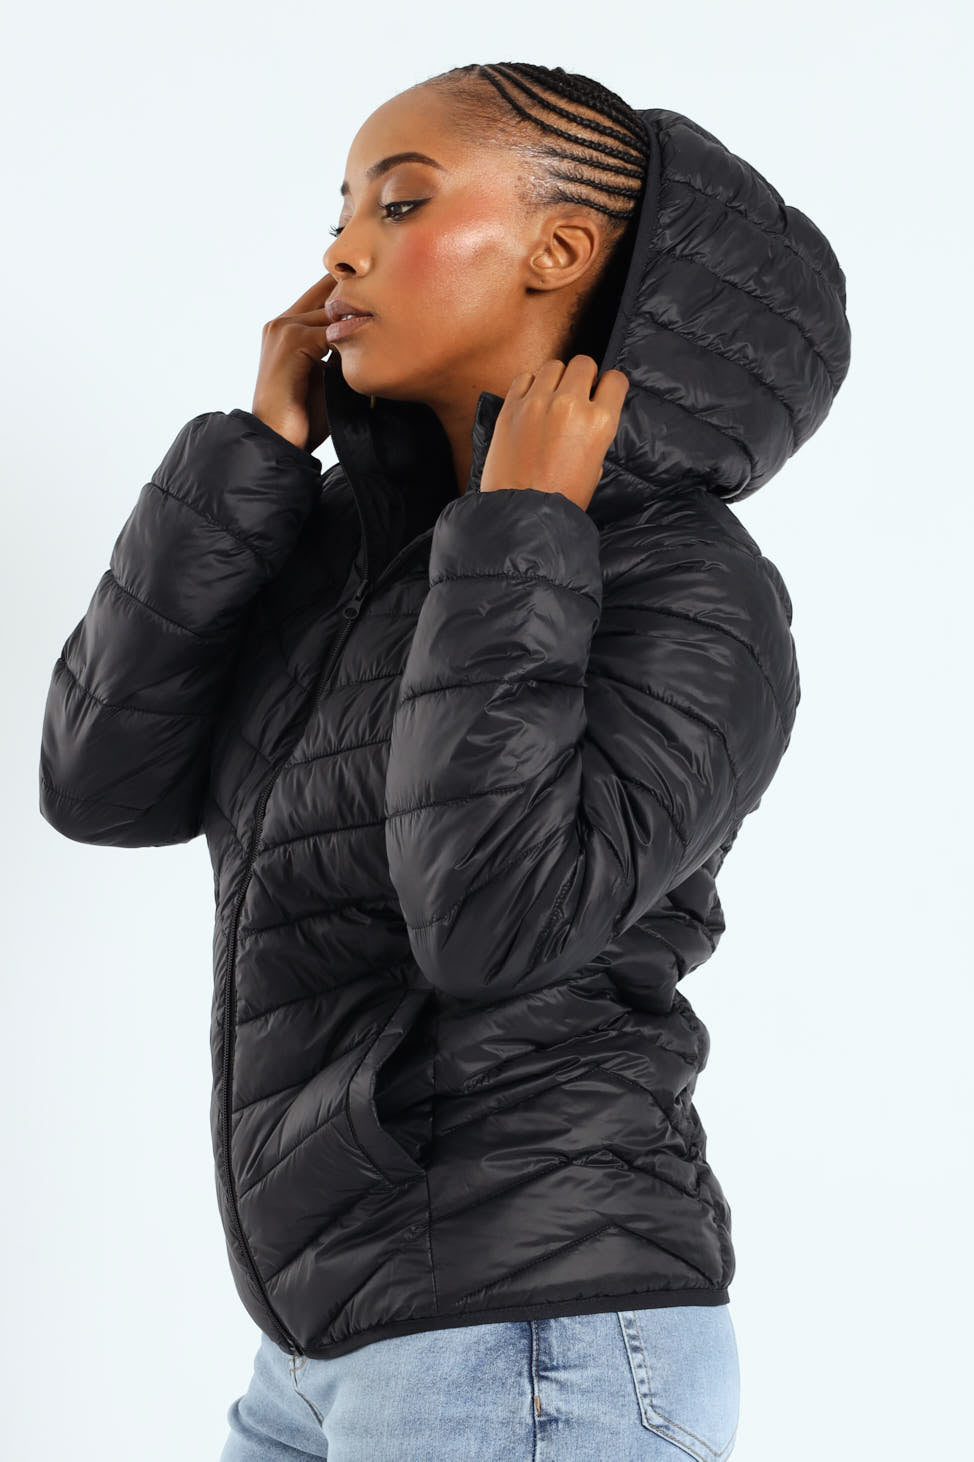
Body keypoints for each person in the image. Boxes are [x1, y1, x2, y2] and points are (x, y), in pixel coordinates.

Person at [37, 60, 851, 1461]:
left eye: (401, 203)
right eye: (341, 210)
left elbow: (496, 923)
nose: (342, 252)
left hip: (534, 1346)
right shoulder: (354, 549)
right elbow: (101, 786)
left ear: (559, 250)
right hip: (320, 1342)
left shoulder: (684, 582)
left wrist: (526, 529)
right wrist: (250, 459)